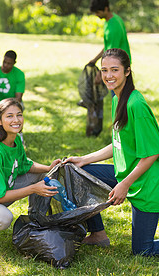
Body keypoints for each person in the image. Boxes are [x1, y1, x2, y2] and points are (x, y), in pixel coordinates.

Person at [65, 48, 159, 256]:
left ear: (127, 71)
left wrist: (124, 185)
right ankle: (98, 234)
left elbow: (153, 153)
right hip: (125, 176)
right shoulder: (118, 98)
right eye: (104, 70)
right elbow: (119, 144)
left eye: (114, 70)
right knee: (79, 172)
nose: (108, 76)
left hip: (148, 185)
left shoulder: (136, 104)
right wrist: (83, 159)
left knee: (142, 251)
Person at [0, 98, 61, 249]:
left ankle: (36, 221)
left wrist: (49, 167)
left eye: (19, 115)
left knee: (43, 178)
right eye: (9, 116)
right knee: (3, 218)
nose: (16, 120)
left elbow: (25, 165)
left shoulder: (15, 141)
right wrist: (33, 189)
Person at [89, 0, 131, 67]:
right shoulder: (112, 19)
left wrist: (104, 70)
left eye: (98, 12)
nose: (96, 15)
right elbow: (107, 47)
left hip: (119, 66)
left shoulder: (113, 27)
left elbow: (112, 55)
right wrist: (94, 60)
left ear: (105, 9)